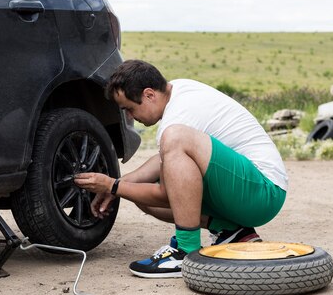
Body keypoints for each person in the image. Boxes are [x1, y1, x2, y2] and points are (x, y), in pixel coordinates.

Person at [74, 60, 288, 278]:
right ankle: (231, 230)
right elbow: (167, 161)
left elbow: (166, 194)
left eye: (129, 108)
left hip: (263, 192)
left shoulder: (176, 121)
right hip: (249, 190)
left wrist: (112, 185)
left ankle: (185, 250)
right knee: (140, 186)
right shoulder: (178, 91)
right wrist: (121, 183)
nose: (129, 116)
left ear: (149, 95)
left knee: (172, 140)